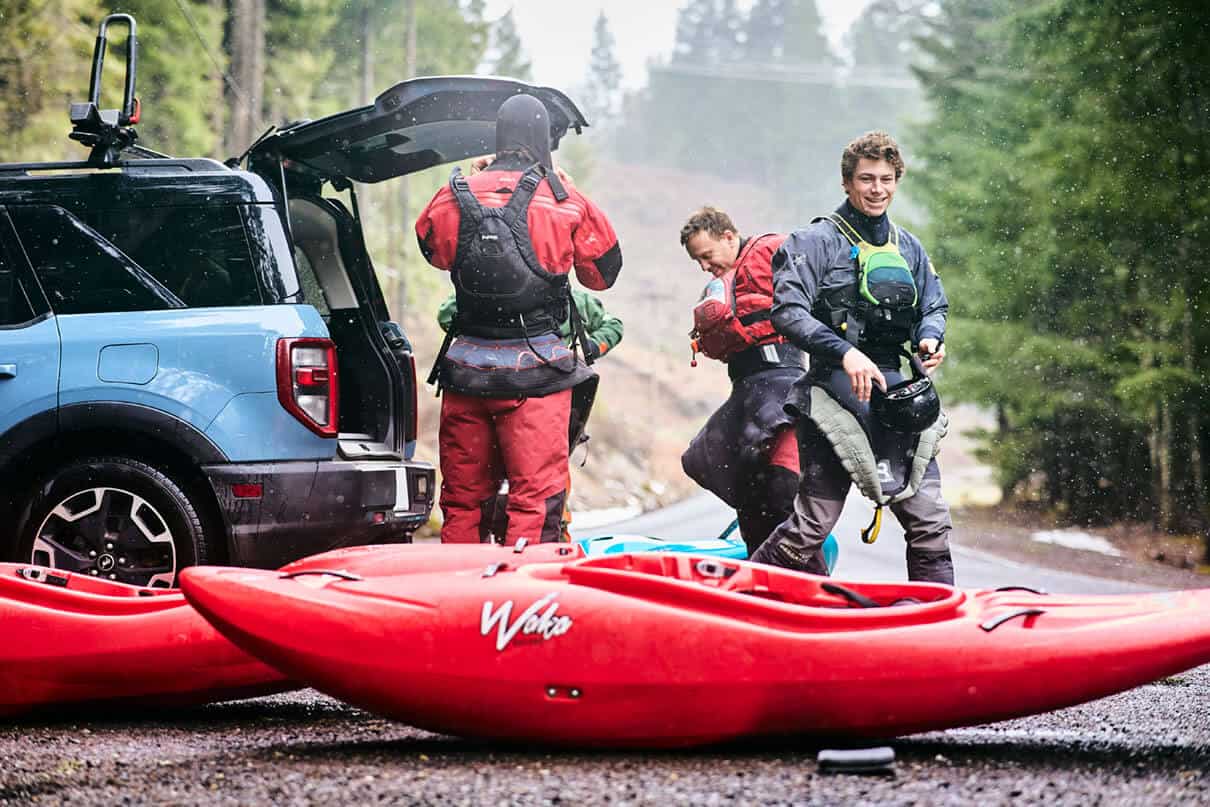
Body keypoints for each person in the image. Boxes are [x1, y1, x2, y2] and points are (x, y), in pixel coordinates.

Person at [415, 94, 622, 545]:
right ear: (544, 138)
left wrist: (476, 190)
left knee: (464, 502)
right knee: (535, 500)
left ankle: (459, 602)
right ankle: (523, 604)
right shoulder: (563, 199)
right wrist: (565, 188)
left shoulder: (453, 194)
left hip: (466, 373)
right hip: (537, 379)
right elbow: (604, 273)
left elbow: (431, 249)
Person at [750, 130, 955, 584]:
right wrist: (845, 353)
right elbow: (787, 312)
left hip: (898, 397)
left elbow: (935, 305)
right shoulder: (813, 242)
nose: (877, 189)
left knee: (930, 525)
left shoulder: (909, 248)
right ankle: (738, 599)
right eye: (866, 179)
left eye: (886, 179)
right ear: (847, 182)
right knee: (811, 527)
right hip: (828, 395)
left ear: (897, 181)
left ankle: (936, 625)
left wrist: (930, 337)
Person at [678, 207, 828, 573]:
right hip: (746, 394)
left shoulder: (771, 250)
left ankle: (817, 594)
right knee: (751, 503)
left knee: (782, 495)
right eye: (697, 260)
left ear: (729, 237)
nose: (704, 266)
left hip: (784, 390)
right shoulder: (719, 288)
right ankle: (764, 594)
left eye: (707, 255)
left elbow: (826, 274)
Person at [436, 287, 624, 540]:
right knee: (539, 494)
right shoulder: (571, 298)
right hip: (544, 395)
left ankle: (465, 568)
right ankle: (542, 552)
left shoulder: (480, 290)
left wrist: (484, 336)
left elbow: (446, 316)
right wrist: (581, 351)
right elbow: (613, 325)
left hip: (475, 386)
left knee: (468, 497)